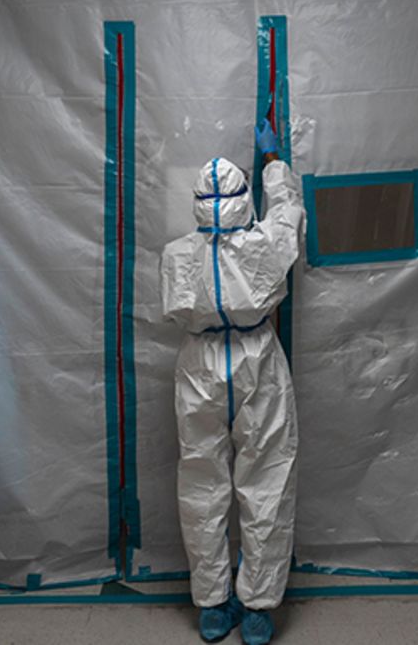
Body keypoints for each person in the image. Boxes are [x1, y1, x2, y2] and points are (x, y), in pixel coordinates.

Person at [160, 119, 305, 645]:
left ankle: (214, 603)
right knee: (266, 479)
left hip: (199, 363)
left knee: (202, 483)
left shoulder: (177, 253)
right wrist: (273, 165)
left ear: (197, 202)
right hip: (256, 355)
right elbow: (289, 212)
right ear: (244, 201)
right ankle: (259, 606)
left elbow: (174, 310)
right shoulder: (265, 242)